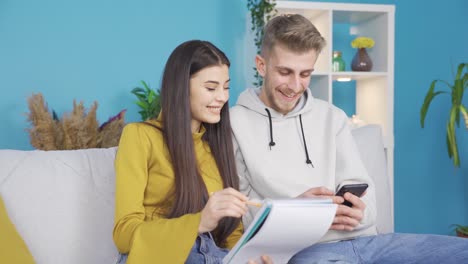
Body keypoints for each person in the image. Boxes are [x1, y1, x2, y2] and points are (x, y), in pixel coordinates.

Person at [230, 14, 468, 263]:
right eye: (285, 72)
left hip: (370, 242)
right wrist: (297, 213)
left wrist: (359, 213)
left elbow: (368, 200)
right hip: (312, 250)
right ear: (261, 65)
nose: (295, 85)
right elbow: (242, 215)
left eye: (305, 73)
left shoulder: (332, 117)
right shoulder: (235, 123)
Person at [113, 40, 272, 264]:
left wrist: (247, 256)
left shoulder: (217, 144)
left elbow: (231, 234)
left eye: (226, 87)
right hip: (160, 256)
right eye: (211, 88)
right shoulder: (140, 136)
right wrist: (198, 223)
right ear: (181, 87)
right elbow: (123, 234)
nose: (223, 97)